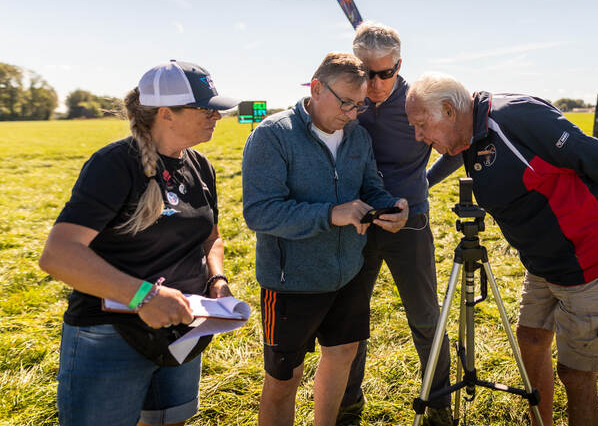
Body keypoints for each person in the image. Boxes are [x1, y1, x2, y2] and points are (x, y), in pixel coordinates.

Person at [406, 73, 598, 426]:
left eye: (420, 125)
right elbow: (455, 155)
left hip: (590, 254)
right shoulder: (466, 132)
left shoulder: (515, 116)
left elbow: (592, 154)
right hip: (542, 261)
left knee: (576, 373)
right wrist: (420, 187)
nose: (418, 136)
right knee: (532, 339)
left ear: (447, 110)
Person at [39, 60, 239, 426]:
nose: (217, 116)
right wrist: (144, 296)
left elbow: (211, 237)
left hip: (183, 328)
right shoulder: (114, 165)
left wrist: (217, 279)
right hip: (110, 336)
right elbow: (59, 254)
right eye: (205, 108)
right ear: (167, 113)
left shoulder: (200, 165)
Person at [242, 52, 409, 426]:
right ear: (316, 88)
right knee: (284, 379)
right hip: (290, 283)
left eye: (359, 105)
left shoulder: (358, 136)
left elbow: (369, 187)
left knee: (343, 354)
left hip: (348, 272)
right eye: (346, 103)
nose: (352, 114)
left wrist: (390, 206)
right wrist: (331, 215)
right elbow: (259, 212)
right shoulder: (272, 135)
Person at [336, 22, 453, 426]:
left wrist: (423, 182)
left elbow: (455, 147)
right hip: (358, 225)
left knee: (424, 317)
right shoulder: (349, 101)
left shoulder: (418, 100)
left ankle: (439, 405)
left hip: (411, 223)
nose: (377, 82)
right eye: (367, 73)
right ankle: (348, 405)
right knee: (352, 319)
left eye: (386, 72)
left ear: (400, 65)